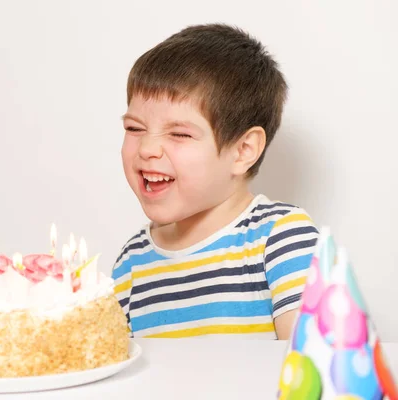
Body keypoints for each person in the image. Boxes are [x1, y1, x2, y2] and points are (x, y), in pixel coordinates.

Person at [112, 24, 318, 339]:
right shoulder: (132, 262)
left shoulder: (282, 239)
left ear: (243, 150)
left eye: (179, 134)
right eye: (134, 129)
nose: (147, 149)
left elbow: (312, 371)